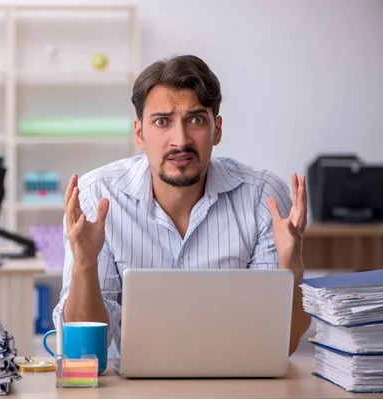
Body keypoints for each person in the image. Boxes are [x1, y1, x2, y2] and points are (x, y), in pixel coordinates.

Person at [52, 54, 312, 359]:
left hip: (236, 383)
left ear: (216, 130)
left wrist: (291, 264)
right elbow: (84, 355)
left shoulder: (262, 197)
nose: (180, 140)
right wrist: (85, 263)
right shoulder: (98, 197)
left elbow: (282, 345)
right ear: (140, 133)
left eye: (196, 120)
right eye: (162, 121)